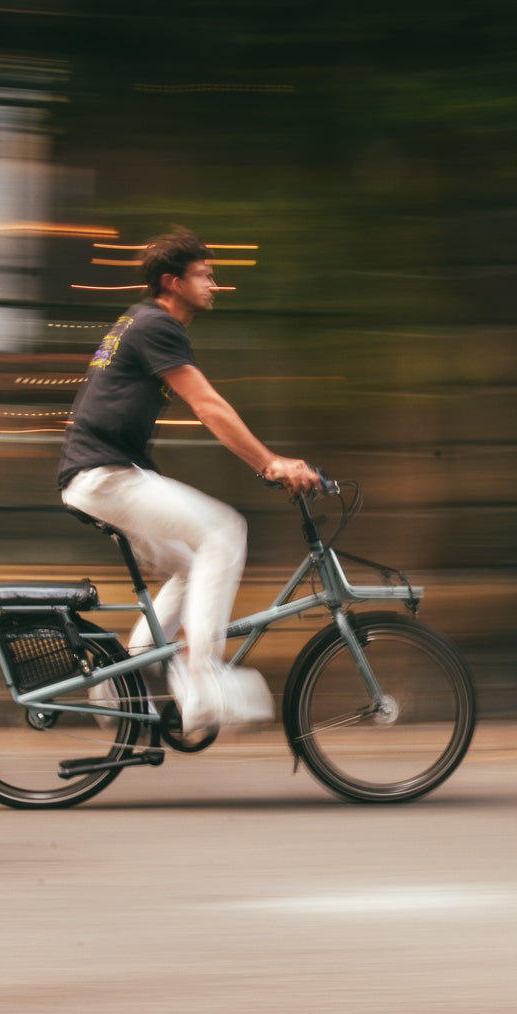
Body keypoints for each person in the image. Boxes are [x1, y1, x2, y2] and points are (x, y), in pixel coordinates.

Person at [58, 229, 320, 734]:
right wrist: (271, 463)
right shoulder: (157, 324)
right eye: (204, 275)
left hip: (102, 473)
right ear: (171, 282)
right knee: (225, 530)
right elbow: (208, 406)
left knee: (189, 565)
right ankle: (202, 684)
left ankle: (119, 687)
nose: (214, 284)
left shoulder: (143, 321)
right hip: (104, 474)